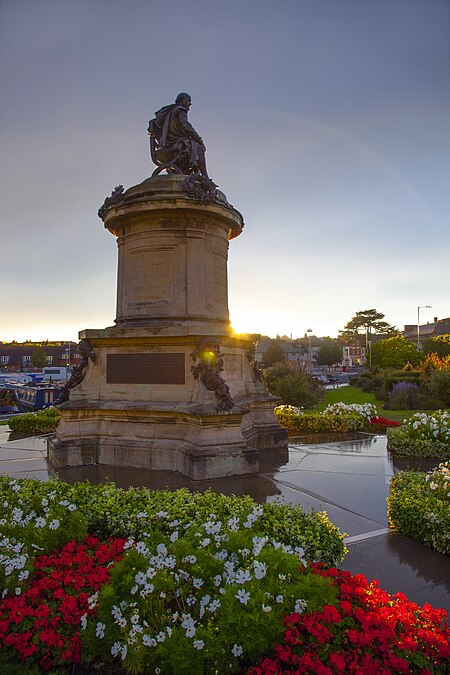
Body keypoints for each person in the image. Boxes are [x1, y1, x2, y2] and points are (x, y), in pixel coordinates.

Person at [149, 93, 213, 180]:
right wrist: (199, 139)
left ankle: (193, 173)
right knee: (200, 149)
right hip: (176, 143)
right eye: (188, 100)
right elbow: (186, 126)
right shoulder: (180, 110)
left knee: (193, 147)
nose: (190, 104)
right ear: (182, 100)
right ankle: (205, 177)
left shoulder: (168, 113)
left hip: (168, 144)